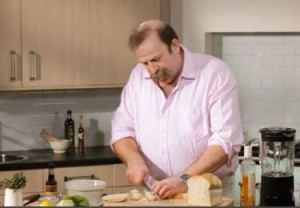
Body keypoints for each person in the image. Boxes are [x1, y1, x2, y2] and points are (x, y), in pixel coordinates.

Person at [111, 19, 243, 199]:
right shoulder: (137, 76)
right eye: (145, 63)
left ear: (174, 45)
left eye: (156, 59)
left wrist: (184, 179)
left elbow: (226, 141)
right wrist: (133, 160)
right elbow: (122, 130)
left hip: (205, 193)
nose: (151, 70)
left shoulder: (214, 73)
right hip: (155, 192)